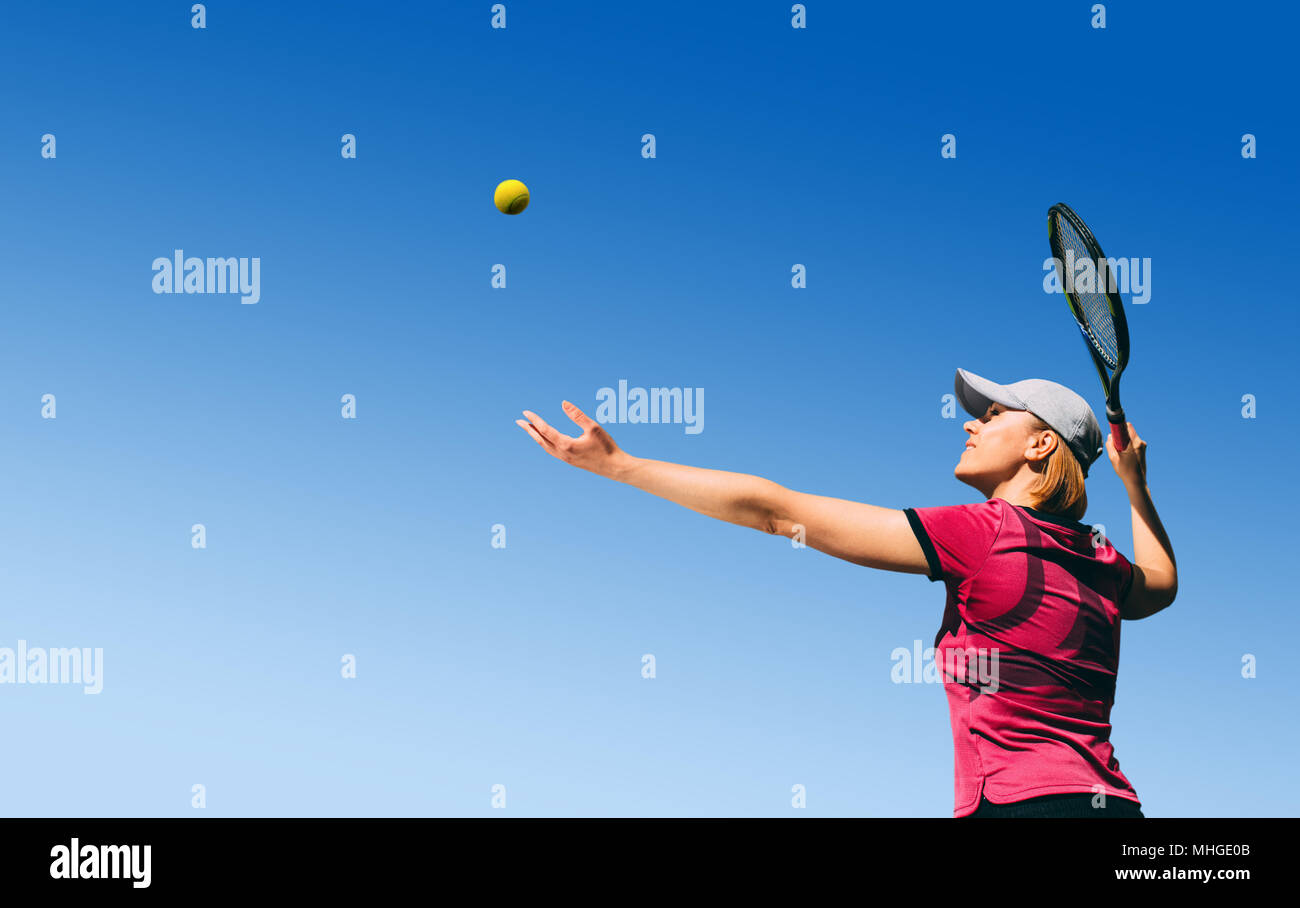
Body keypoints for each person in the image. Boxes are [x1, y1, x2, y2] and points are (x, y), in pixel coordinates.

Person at [516, 369, 1177, 818]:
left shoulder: (981, 532)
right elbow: (1163, 585)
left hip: (1018, 806)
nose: (972, 424)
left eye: (995, 414)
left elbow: (776, 512)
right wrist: (1135, 487)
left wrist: (620, 466)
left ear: (1040, 444)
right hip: (1116, 805)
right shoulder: (1100, 559)